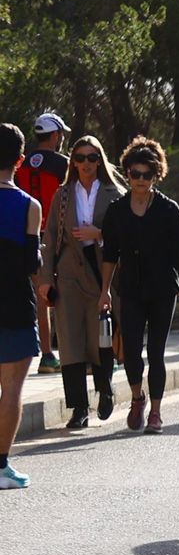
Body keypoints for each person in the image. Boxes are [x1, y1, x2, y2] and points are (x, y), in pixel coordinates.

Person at [98, 137, 179, 433]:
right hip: (130, 288)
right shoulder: (116, 211)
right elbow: (110, 254)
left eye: (147, 175)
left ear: (156, 176)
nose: (140, 180)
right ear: (126, 174)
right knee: (129, 348)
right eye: (134, 174)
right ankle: (137, 397)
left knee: (156, 351)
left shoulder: (168, 209)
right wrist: (104, 290)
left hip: (163, 288)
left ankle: (155, 412)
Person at [41, 134, 124, 428]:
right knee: (71, 342)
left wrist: (99, 234)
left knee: (101, 336)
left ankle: (105, 391)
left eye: (92, 157)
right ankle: (78, 408)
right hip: (68, 274)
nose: (86, 163)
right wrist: (45, 278)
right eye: (80, 158)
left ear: (99, 160)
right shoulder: (63, 194)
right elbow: (50, 237)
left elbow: (126, 233)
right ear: (72, 162)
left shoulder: (115, 193)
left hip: (103, 275)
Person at [0, 123, 41, 488]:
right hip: (13, 304)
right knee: (11, 389)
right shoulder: (31, 206)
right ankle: (1, 467)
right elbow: (32, 264)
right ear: (20, 160)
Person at [17, 112, 69, 373]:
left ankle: (47, 354)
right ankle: (72, 351)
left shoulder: (20, 163)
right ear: (56, 135)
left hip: (27, 235)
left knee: (42, 294)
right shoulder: (63, 164)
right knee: (66, 293)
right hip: (58, 235)